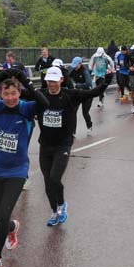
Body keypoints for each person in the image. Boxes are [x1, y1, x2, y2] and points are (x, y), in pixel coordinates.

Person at [0, 69, 49, 267]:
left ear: (19, 93)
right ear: (0, 95)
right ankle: (13, 228)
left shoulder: (26, 108)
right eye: (6, 94)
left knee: (4, 213)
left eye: (14, 93)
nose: (10, 98)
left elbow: (45, 104)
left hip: (17, 170)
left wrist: (26, 81)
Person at [37, 67, 107, 226]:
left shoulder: (70, 95)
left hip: (63, 144)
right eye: (49, 80)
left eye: (54, 81)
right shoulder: (40, 94)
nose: (51, 84)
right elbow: (23, 92)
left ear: (61, 80)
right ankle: (55, 212)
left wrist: (106, 82)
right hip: (45, 144)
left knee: (55, 178)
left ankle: (62, 205)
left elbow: (92, 93)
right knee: (47, 182)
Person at [69, 57, 94, 134]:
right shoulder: (72, 71)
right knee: (73, 111)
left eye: (76, 65)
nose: (75, 67)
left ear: (80, 64)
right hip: (78, 94)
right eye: (74, 65)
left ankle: (89, 126)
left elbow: (89, 83)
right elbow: (68, 79)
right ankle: (73, 131)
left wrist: (78, 85)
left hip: (87, 94)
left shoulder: (85, 71)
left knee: (85, 112)